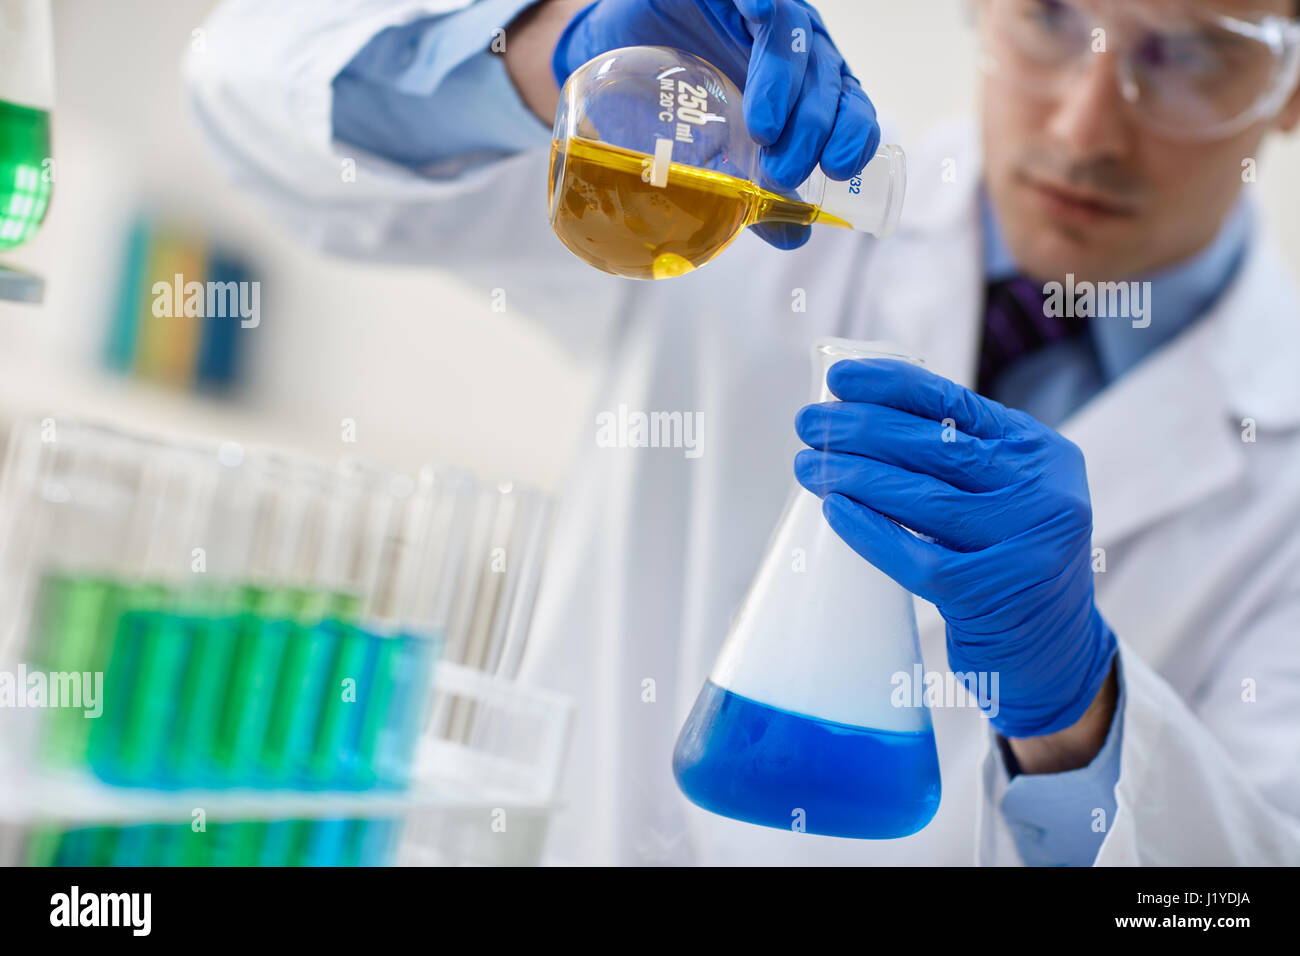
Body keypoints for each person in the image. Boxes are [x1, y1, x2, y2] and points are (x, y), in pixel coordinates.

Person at [185, 0, 1300, 865]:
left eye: (1194, 51)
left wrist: (1081, 718)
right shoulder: (761, 194)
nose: (1084, 125)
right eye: (1054, 18)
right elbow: (253, 104)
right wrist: (552, 47)